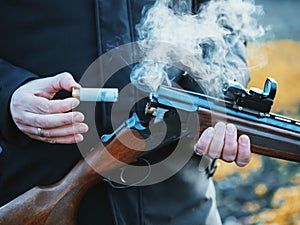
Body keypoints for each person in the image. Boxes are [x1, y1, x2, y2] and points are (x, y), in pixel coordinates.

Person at [0, 0, 251, 224]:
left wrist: (215, 95)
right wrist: (8, 92)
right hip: (31, 173)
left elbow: (227, 20)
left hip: (180, 200)